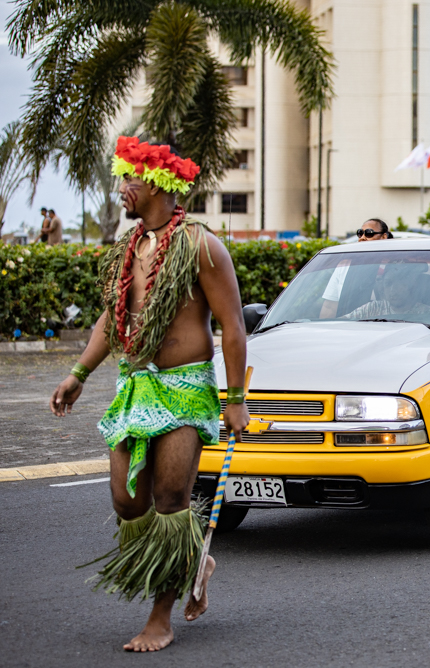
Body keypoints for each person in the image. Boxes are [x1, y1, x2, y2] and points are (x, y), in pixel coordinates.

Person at [49, 137, 250, 652]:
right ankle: (193, 559)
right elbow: (109, 319)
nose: (120, 190)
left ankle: (160, 618)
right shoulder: (127, 249)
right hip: (134, 386)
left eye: (128, 180)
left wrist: (234, 399)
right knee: (126, 499)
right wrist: (78, 373)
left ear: (158, 182)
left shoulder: (202, 246)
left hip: (184, 391)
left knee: (169, 500)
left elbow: (232, 328)